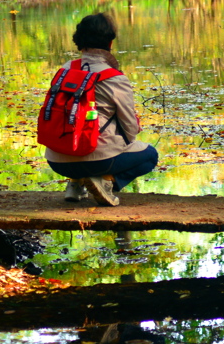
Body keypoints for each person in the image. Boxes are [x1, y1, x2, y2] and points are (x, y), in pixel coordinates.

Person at [45, 12, 158, 205]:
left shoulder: (64, 70)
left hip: (56, 161)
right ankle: (106, 181)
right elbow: (129, 130)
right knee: (150, 155)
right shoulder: (114, 78)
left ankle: (76, 183)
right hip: (99, 161)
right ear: (110, 43)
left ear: (79, 41)